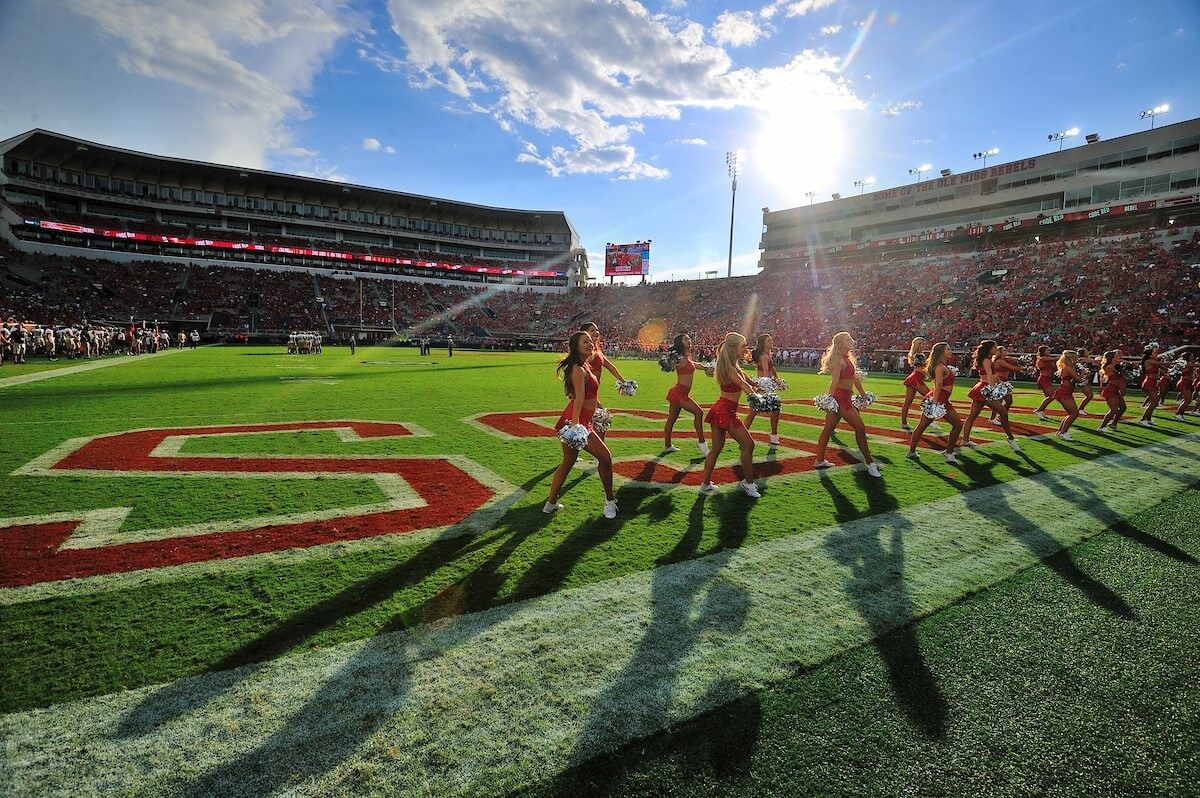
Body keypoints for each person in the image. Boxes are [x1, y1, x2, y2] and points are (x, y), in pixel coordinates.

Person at [544, 331, 618, 519]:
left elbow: (590, 398)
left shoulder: (584, 366)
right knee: (606, 458)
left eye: (591, 341)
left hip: (579, 419)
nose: (590, 344)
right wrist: (577, 426)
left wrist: (598, 411)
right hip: (578, 421)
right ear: (576, 346)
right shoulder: (579, 369)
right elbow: (578, 399)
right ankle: (610, 502)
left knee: (568, 463)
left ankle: (550, 504)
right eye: (585, 342)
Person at [697, 332, 761, 497]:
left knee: (716, 449)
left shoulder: (731, 366)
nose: (746, 348)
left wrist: (761, 386)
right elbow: (742, 383)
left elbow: (748, 381)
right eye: (743, 346)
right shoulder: (731, 368)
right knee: (748, 445)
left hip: (720, 408)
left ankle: (705, 484)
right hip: (726, 411)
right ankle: (748, 483)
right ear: (734, 348)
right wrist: (755, 396)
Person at [813, 331, 881, 476]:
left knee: (829, 429)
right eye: (847, 339)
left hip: (846, 397)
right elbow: (835, 381)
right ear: (840, 343)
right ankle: (870, 463)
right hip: (840, 398)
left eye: (850, 338)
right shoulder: (838, 359)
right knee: (860, 428)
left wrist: (863, 395)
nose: (851, 340)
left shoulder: (848, 358)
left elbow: (855, 378)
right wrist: (829, 399)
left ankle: (819, 460)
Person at [906, 342, 964, 463]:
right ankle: (913, 451)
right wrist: (935, 403)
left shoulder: (943, 365)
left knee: (924, 426)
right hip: (938, 399)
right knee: (924, 425)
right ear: (942, 352)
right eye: (948, 349)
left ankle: (947, 452)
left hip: (942, 399)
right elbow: (938, 385)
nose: (950, 351)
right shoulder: (939, 366)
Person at [959, 340, 1022, 451]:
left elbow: (994, 375)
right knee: (1002, 412)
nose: (996, 349)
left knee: (972, 416)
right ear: (989, 349)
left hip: (982, 388)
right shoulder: (986, 360)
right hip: (986, 388)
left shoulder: (988, 359)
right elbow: (989, 375)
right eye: (994, 347)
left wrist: (1001, 385)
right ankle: (1010, 438)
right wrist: (992, 390)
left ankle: (965, 439)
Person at [662, 333, 710, 456]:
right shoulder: (679, 357)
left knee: (671, 419)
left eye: (689, 339)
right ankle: (701, 442)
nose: (689, 340)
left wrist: (705, 368)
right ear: (680, 342)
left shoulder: (686, 357)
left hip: (680, 392)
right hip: (679, 393)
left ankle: (667, 446)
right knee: (698, 412)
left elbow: (694, 364)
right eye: (686, 339)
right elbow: (669, 364)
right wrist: (668, 362)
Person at [580, 322, 630, 442]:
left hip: (593, 393)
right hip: (586, 394)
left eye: (597, 330)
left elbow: (610, 366)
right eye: (592, 330)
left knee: (589, 422)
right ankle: (600, 452)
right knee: (600, 420)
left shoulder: (596, 350)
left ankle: (596, 452)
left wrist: (623, 381)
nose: (596, 332)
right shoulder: (585, 352)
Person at [742, 333, 782, 446]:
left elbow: (772, 369)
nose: (772, 342)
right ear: (763, 343)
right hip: (764, 388)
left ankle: (774, 435)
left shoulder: (767, 355)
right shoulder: (763, 356)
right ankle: (743, 433)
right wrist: (767, 387)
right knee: (754, 411)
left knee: (775, 410)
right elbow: (765, 371)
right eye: (769, 341)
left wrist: (777, 380)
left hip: (768, 387)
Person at [1050, 350, 1083, 440]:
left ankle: (1061, 432)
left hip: (1066, 391)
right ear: (1070, 359)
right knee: (1074, 413)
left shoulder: (1069, 367)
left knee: (1071, 413)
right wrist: (1083, 373)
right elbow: (1079, 379)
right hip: (1064, 392)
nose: (1077, 359)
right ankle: (1063, 432)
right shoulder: (1068, 368)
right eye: (1075, 357)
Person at [900, 336, 930, 432]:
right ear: (917, 345)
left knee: (907, 403)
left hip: (914, 378)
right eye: (921, 343)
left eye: (924, 343)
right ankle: (929, 418)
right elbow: (921, 369)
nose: (924, 345)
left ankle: (904, 423)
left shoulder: (916, 355)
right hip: (916, 379)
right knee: (931, 398)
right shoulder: (919, 355)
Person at [987, 345, 1021, 425]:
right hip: (999, 382)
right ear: (1000, 352)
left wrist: (1022, 360)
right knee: (1001, 401)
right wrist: (1023, 368)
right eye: (1004, 350)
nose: (1006, 351)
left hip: (1005, 382)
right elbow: (1011, 367)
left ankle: (999, 417)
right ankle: (994, 418)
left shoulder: (1006, 358)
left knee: (1007, 401)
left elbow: (1016, 360)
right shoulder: (999, 361)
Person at [1097, 350, 1127, 431]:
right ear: (1112, 358)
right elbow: (1116, 376)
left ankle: (1114, 424)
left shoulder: (1115, 365)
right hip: (1111, 390)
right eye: (1116, 356)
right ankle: (1102, 427)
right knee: (1113, 410)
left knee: (1123, 407)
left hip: (1116, 390)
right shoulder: (1109, 366)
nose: (1119, 357)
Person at [1137, 344, 1163, 427]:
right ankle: (1143, 419)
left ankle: (1148, 419)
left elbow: (1165, 367)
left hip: (1153, 382)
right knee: (1154, 403)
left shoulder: (1154, 362)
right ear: (1150, 355)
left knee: (1154, 402)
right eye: (1154, 353)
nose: (1156, 354)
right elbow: (1161, 363)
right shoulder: (1148, 361)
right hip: (1149, 382)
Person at [1033, 345, 1057, 421]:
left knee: (1049, 396)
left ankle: (1042, 411)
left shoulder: (1046, 358)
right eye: (1048, 350)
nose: (1049, 351)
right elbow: (1055, 358)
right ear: (1043, 351)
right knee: (1051, 396)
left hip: (1047, 379)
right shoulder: (1043, 358)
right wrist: (1065, 356)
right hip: (1044, 379)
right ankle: (1038, 410)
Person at [1172, 352, 1195, 420]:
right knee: (1187, 400)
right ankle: (1177, 414)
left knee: (1188, 400)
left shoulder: (1188, 363)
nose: (1192, 357)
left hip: (1187, 382)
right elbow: (1196, 365)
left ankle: (1181, 414)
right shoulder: (1187, 363)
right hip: (1184, 382)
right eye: (1191, 356)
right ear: (1187, 357)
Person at [1076, 348, 1097, 416]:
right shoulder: (1083, 359)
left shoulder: (1085, 359)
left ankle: (1080, 409)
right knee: (1089, 395)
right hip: (1082, 379)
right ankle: (1080, 409)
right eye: (1086, 352)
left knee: (1089, 395)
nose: (1087, 352)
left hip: (1086, 379)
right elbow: (1095, 361)